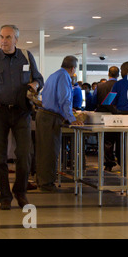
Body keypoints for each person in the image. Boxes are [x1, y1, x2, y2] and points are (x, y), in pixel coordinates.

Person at [0, 24, 44, 210]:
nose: (4, 41)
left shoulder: (26, 57)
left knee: (24, 154)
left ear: (16, 40)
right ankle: (5, 196)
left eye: (8, 37)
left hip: (22, 111)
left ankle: (20, 192)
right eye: (2, 37)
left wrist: (35, 85)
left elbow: (39, 78)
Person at [35, 56, 84, 192]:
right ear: (73, 68)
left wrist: (68, 110)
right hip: (50, 118)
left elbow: (53, 97)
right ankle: (47, 184)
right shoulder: (65, 77)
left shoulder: (54, 74)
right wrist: (72, 118)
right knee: (50, 151)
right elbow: (65, 99)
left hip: (43, 115)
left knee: (43, 151)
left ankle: (41, 181)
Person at [93, 66, 120, 171]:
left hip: (103, 116)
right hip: (118, 115)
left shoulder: (99, 86)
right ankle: (122, 161)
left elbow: (94, 101)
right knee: (120, 139)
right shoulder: (120, 86)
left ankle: (108, 164)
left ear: (108, 74)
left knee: (107, 141)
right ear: (118, 74)